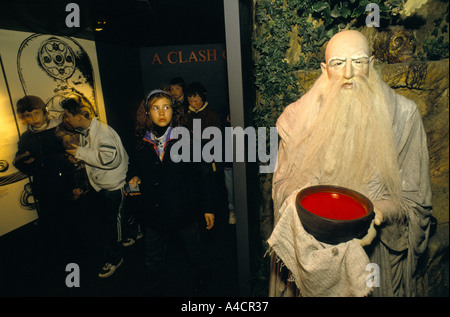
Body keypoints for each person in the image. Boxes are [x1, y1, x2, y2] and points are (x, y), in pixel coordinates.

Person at [268, 30, 432, 297]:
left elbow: (416, 199)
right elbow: (283, 186)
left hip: (375, 255)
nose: (348, 73)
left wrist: (378, 212)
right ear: (324, 68)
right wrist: (303, 204)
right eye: (337, 63)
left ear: (372, 63)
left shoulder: (403, 116)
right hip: (315, 245)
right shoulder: (296, 119)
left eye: (358, 61)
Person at [127, 89, 216, 295]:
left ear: (173, 111)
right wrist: (134, 176)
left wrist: (208, 208)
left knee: (195, 251)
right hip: (154, 212)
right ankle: (154, 288)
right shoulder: (142, 141)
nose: (161, 113)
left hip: (182, 210)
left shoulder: (186, 140)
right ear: (147, 113)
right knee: (153, 257)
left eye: (166, 107)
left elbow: (204, 176)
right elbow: (135, 166)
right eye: (155, 108)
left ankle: (205, 277)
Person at [61, 94, 129, 278]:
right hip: (103, 185)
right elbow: (97, 156)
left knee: (112, 224)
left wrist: (81, 152)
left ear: (79, 116)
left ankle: (115, 259)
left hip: (112, 186)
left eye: (67, 116)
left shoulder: (102, 132)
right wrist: (80, 156)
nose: (66, 120)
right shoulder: (89, 132)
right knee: (111, 221)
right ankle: (132, 231)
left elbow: (109, 159)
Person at [13, 95, 79, 266]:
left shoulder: (60, 130)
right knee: (52, 224)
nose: (33, 118)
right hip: (43, 186)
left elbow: (75, 157)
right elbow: (21, 161)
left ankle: (77, 259)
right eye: (28, 115)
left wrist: (77, 184)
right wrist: (25, 162)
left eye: (36, 113)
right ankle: (60, 259)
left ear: (44, 112)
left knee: (70, 222)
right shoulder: (26, 137)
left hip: (64, 183)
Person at [185, 82, 228, 220]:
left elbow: (215, 135)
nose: (192, 103)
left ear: (202, 98)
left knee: (214, 189)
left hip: (211, 160)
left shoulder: (211, 114)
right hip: (195, 159)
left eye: (195, 101)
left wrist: (196, 135)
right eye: (190, 101)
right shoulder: (187, 113)